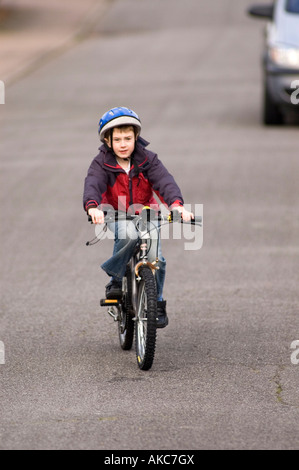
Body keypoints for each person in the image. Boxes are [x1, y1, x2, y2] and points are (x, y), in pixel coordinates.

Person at [83, 107, 193, 328]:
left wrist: (177, 206)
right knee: (127, 234)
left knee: (157, 260)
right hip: (117, 213)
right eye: (117, 139)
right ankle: (115, 280)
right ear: (107, 140)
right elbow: (93, 184)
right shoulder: (101, 163)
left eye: (128, 138)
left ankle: (157, 303)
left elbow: (165, 182)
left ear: (136, 138)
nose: (123, 144)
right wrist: (93, 207)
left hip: (147, 213)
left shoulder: (148, 160)